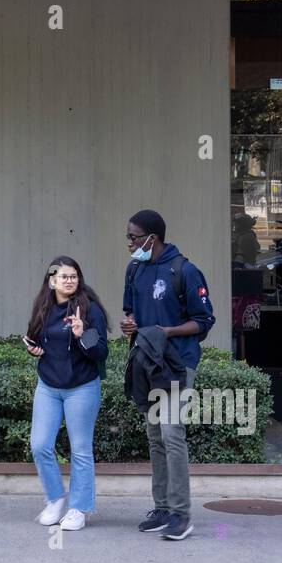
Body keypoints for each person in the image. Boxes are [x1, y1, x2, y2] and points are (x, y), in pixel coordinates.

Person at [120, 209, 215, 542]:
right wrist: (129, 324)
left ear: (152, 238)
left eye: (133, 237)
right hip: (147, 363)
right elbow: (130, 312)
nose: (129, 243)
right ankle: (161, 508)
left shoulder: (185, 271)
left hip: (178, 363)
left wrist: (168, 331)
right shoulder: (134, 270)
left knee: (172, 433)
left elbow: (204, 321)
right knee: (155, 436)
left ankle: (180, 514)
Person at [25, 255, 109, 532]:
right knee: (40, 444)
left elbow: (100, 352)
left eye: (73, 276)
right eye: (63, 276)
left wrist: (81, 334)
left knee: (81, 450)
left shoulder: (89, 309)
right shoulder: (44, 307)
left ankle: (78, 508)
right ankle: (55, 498)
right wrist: (33, 348)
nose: (69, 281)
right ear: (52, 281)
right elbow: (36, 339)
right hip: (49, 386)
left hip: (82, 387)